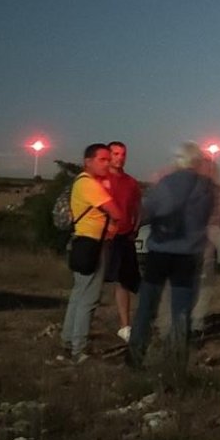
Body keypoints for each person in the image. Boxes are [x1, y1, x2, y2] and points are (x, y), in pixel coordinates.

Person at [127, 143, 216, 369]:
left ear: (178, 160)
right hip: (189, 256)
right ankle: (176, 362)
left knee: (147, 306)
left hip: (161, 252)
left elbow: (144, 213)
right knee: (182, 311)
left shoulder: (166, 184)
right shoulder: (207, 188)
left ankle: (135, 356)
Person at [59, 144, 124, 363]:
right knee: (89, 299)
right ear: (88, 161)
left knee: (79, 295)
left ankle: (68, 343)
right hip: (93, 245)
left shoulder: (82, 182)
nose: (108, 163)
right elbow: (116, 211)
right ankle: (79, 349)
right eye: (103, 159)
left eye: (108, 159)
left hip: (82, 243)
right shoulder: (90, 184)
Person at [100, 141, 142, 343]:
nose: (120, 157)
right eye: (115, 153)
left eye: (123, 153)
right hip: (104, 237)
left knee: (124, 281)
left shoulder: (131, 182)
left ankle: (125, 326)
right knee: (96, 279)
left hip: (124, 236)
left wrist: (135, 228)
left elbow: (137, 207)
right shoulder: (99, 179)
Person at [190, 157, 220, 336]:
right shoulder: (193, 189)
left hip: (205, 243)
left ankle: (196, 322)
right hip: (191, 244)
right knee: (192, 283)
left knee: (204, 285)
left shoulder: (214, 191)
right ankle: (189, 321)